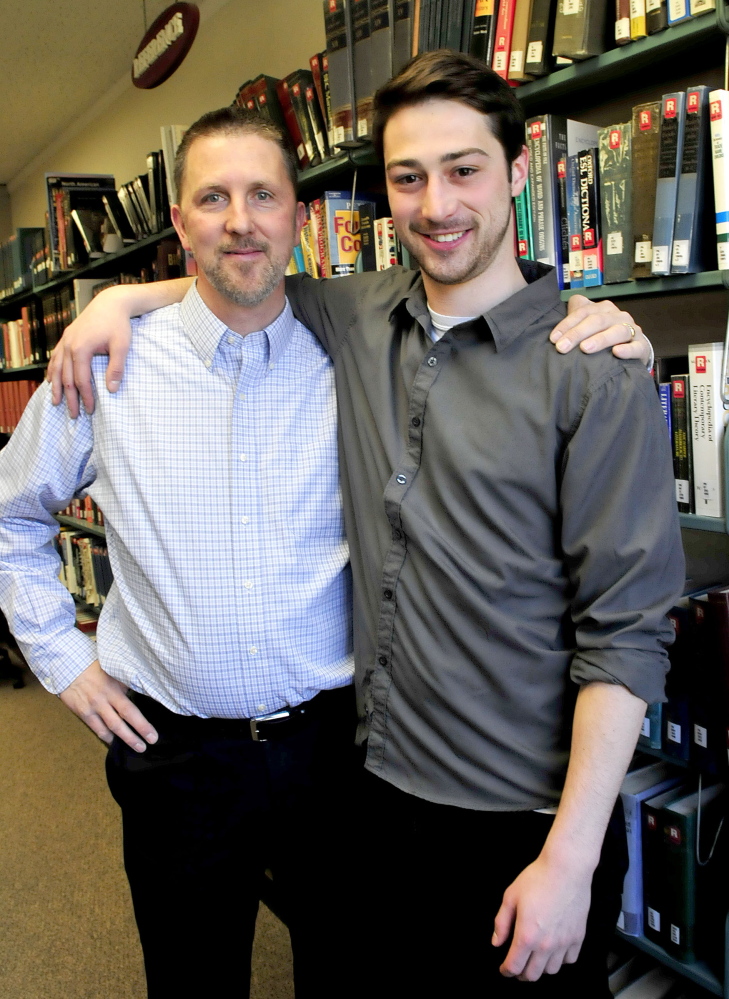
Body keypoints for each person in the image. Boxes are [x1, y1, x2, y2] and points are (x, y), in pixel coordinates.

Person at [46, 53, 679, 997]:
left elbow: (626, 634)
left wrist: (570, 859)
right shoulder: (358, 310)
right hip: (370, 801)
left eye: (463, 169)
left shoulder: (595, 370)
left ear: (516, 169)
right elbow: (235, 272)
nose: (436, 204)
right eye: (406, 177)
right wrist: (116, 299)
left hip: (520, 820)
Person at [0, 109, 361, 999]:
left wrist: (594, 318)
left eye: (263, 194)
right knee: (191, 980)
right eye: (213, 196)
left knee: (350, 976)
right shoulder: (104, 365)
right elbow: (11, 516)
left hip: (335, 751)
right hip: (177, 762)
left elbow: (473, 291)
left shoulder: (355, 351)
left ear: (298, 216)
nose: (240, 220)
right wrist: (63, 661)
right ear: (179, 222)